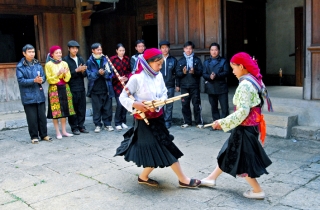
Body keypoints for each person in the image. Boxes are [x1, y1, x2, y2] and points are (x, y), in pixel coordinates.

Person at [114, 48, 201, 188]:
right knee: (164, 147)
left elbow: (164, 93)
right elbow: (122, 97)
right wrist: (135, 104)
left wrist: (158, 104)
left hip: (158, 118)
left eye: (161, 64)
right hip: (144, 121)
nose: (160, 67)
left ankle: (143, 177)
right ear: (148, 63)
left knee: (160, 148)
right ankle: (183, 179)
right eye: (158, 64)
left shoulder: (158, 75)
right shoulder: (136, 78)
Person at [200, 52, 273, 200]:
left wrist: (222, 122)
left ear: (241, 66)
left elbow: (243, 112)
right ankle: (211, 178)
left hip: (244, 128)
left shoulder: (245, 84)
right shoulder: (254, 79)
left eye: (234, 68)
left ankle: (257, 190)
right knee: (228, 151)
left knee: (243, 160)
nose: (232, 71)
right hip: (249, 126)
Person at [16, 44, 52, 144]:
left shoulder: (37, 64)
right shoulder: (20, 66)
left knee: (42, 117)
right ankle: (34, 136)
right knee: (32, 118)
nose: (32, 54)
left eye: (33, 52)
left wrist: (42, 79)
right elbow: (21, 81)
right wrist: (34, 80)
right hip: (28, 96)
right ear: (24, 53)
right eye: (29, 52)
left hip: (39, 94)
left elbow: (43, 77)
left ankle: (44, 135)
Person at [45, 45, 75, 139]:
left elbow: (68, 77)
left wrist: (65, 74)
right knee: (55, 111)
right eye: (56, 53)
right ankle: (57, 132)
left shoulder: (64, 63)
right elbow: (49, 79)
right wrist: (58, 74)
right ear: (52, 54)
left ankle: (64, 131)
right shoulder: (48, 64)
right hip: (54, 88)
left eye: (60, 53)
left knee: (64, 110)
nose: (59, 54)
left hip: (65, 87)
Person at [86, 43, 115, 133]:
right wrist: (98, 73)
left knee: (107, 107)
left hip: (106, 87)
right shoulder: (89, 61)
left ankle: (107, 124)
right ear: (93, 50)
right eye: (98, 50)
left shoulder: (106, 59)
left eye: (100, 49)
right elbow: (89, 76)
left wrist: (104, 73)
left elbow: (111, 73)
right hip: (95, 88)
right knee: (97, 108)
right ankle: (97, 124)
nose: (100, 51)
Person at [63, 40, 89, 135]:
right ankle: (74, 127)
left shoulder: (81, 59)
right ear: (68, 49)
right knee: (72, 108)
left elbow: (85, 74)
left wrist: (82, 71)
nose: (75, 50)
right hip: (71, 87)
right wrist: (76, 70)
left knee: (82, 108)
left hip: (81, 87)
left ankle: (81, 126)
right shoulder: (65, 60)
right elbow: (66, 75)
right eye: (73, 48)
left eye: (76, 48)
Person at [176, 41, 203, 128]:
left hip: (194, 85)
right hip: (184, 86)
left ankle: (198, 122)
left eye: (190, 48)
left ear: (193, 49)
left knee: (196, 104)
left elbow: (201, 72)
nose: (188, 50)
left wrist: (194, 72)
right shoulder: (180, 61)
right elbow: (177, 74)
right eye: (186, 48)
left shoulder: (197, 60)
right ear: (184, 49)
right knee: (185, 104)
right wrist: (179, 82)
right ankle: (187, 122)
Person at [203, 43, 229, 130]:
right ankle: (216, 125)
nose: (214, 52)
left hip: (221, 87)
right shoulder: (206, 62)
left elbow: (226, 72)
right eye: (212, 50)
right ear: (210, 51)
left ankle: (225, 125)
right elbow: (204, 74)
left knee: (224, 107)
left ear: (219, 51)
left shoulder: (223, 61)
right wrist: (209, 77)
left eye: (216, 50)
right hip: (211, 87)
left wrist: (216, 75)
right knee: (214, 107)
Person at [110, 43, 131, 131]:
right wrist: (118, 78)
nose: (122, 52)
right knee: (119, 103)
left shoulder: (127, 59)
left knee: (125, 103)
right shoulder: (112, 59)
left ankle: (123, 121)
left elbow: (129, 70)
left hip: (125, 84)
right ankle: (117, 122)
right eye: (120, 50)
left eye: (123, 50)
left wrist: (127, 77)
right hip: (117, 85)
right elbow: (110, 73)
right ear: (116, 51)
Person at [159, 40, 178, 129]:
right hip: (159, 86)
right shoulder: (158, 59)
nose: (165, 49)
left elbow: (176, 73)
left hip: (170, 84)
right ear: (160, 49)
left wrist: (177, 85)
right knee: (161, 104)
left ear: (169, 48)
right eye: (163, 48)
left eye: (166, 47)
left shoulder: (173, 60)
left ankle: (168, 121)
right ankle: (161, 121)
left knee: (169, 104)